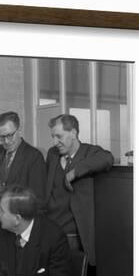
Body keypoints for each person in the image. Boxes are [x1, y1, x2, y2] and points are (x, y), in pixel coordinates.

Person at [45, 113, 114, 265]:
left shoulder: (90, 152)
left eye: (59, 136)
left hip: (75, 236)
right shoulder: (52, 154)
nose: (55, 142)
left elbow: (107, 158)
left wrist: (74, 172)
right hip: (51, 230)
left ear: (74, 133)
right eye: (53, 136)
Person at [0, 111, 46, 201]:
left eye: (10, 135)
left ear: (19, 130)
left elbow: (36, 197)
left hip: (19, 212)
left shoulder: (34, 156)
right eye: (2, 137)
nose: (6, 141)